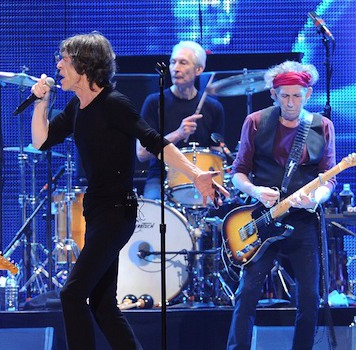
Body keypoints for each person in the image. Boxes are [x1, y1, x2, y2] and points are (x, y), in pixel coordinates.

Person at [30, 32, 228, 350]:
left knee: (72, 293)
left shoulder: (113, 104)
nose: (58, 66)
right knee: (103, 305)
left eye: (64, 60)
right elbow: (42, 141)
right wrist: (42, 103)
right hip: (97, 212)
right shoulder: (78, 105)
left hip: (116, 213)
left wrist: (195, 174)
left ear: (84, 65)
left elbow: (153, 141)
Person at [225, 61, 336, 350]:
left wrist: (316, 198)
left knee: (310, 300)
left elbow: (329, 179)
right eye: (284, 96)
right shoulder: (256, 121)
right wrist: (255, 190)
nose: (290, 102)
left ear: (308, 94)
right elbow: (237, 173)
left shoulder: (322, 126)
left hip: (302, 222)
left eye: (297, 96)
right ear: (273, 95)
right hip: (263, 219)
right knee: (247, 293)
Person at [136, 41, 225, 200]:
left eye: (183, 63)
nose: (175, 68)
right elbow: (141, 153)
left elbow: (216, 152)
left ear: (199, 69)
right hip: (160, 177)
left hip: (201, 175)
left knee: (221, 205)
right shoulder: (154, 103)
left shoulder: (213, 107)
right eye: (173, 62)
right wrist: (178, 134)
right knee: (151, 212)